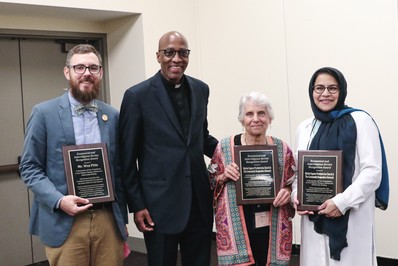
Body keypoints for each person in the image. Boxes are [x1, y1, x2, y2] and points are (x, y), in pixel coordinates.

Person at [19, 44, 128, 265]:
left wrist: (121, 220)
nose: (87, 73)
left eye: (93, 68)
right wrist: (59, 200)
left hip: (107, 220)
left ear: (100, 73)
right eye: (79, 67)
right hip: (65, 220)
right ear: (67, 71)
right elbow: (29, 167)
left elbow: (118, 170)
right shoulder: (43, 113)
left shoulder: (112, 115)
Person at [119, 31, 218, 266]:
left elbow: (201, 137)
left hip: (198, 201)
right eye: (169, 52)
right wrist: (137, 205)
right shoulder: (137, 96)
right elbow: (126, 157)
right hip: (158, 206)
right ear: (158, 56)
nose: (176, 59)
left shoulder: (201, 89)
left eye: (183, 53)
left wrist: (234, 150)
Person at [292, 67, 389, 266]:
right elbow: (297, 172)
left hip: (351, 216)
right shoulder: (305, 127)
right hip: (314, 218)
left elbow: (372, 171)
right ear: (311, 91)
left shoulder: (361, 121)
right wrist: (297, 195)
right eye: (319, 88)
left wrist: (342, 202)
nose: (325, 94)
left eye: (332, 88)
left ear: (342, 90)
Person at [208, 91, 295, 266]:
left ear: (270, 118)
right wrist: (224, 176)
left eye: (261, 113)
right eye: (249, 114)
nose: (256, 119)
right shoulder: (225, 146)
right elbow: (210, 179)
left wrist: (288, 191)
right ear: (242, 119)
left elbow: (293, 181)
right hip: (238, 225)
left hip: (272, 222)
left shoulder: (282, 148)